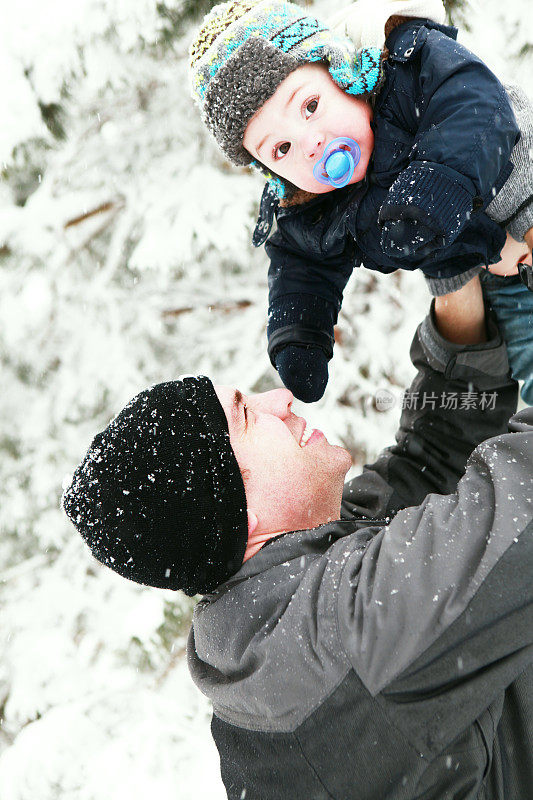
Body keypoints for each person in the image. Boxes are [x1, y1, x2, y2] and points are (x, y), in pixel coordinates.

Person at [63, 275, 533, 799]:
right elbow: (523, 508)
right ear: (237, 515)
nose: (280, 398)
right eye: (245, 415)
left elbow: (435, 455)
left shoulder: (278, 608)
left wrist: (457, 279)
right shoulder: (337, 637)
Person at [188, 0, 533, 403]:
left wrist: (436, 184)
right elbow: (303, 266)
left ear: (339, 69)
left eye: (310, 107)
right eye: (282, 148)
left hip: (516, 178)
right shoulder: (311, 204)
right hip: (479, 265)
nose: (311, 143)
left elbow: (471, 105)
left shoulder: (407, 67)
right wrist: (299, 334)